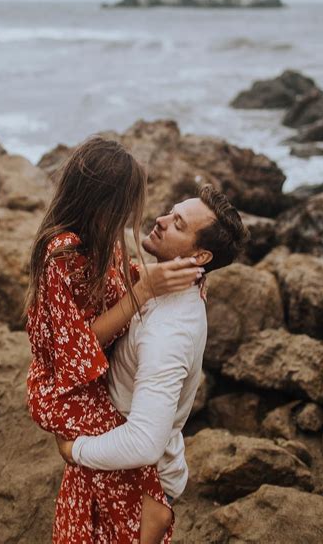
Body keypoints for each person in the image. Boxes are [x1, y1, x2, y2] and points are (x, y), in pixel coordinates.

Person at [25, 136, 202, 544]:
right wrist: (143, 293)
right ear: (102, 203)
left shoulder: (105, 238)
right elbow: (74, 352)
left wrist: (178, 281)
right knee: (143, 491)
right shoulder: (62, 253)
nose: (132, 215)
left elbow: (113, 284)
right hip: (64, 386)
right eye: (125, 205)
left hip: (89, 381)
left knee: (100, 485)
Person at [55, 185, 250, 521]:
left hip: (144, 483)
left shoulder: (168, 335)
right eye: (170, 212)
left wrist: (75, 450)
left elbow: (144, 442)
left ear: (200, 257)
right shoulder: (174, 284)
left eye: (178, 224)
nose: (159, 221)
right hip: (124, 463)